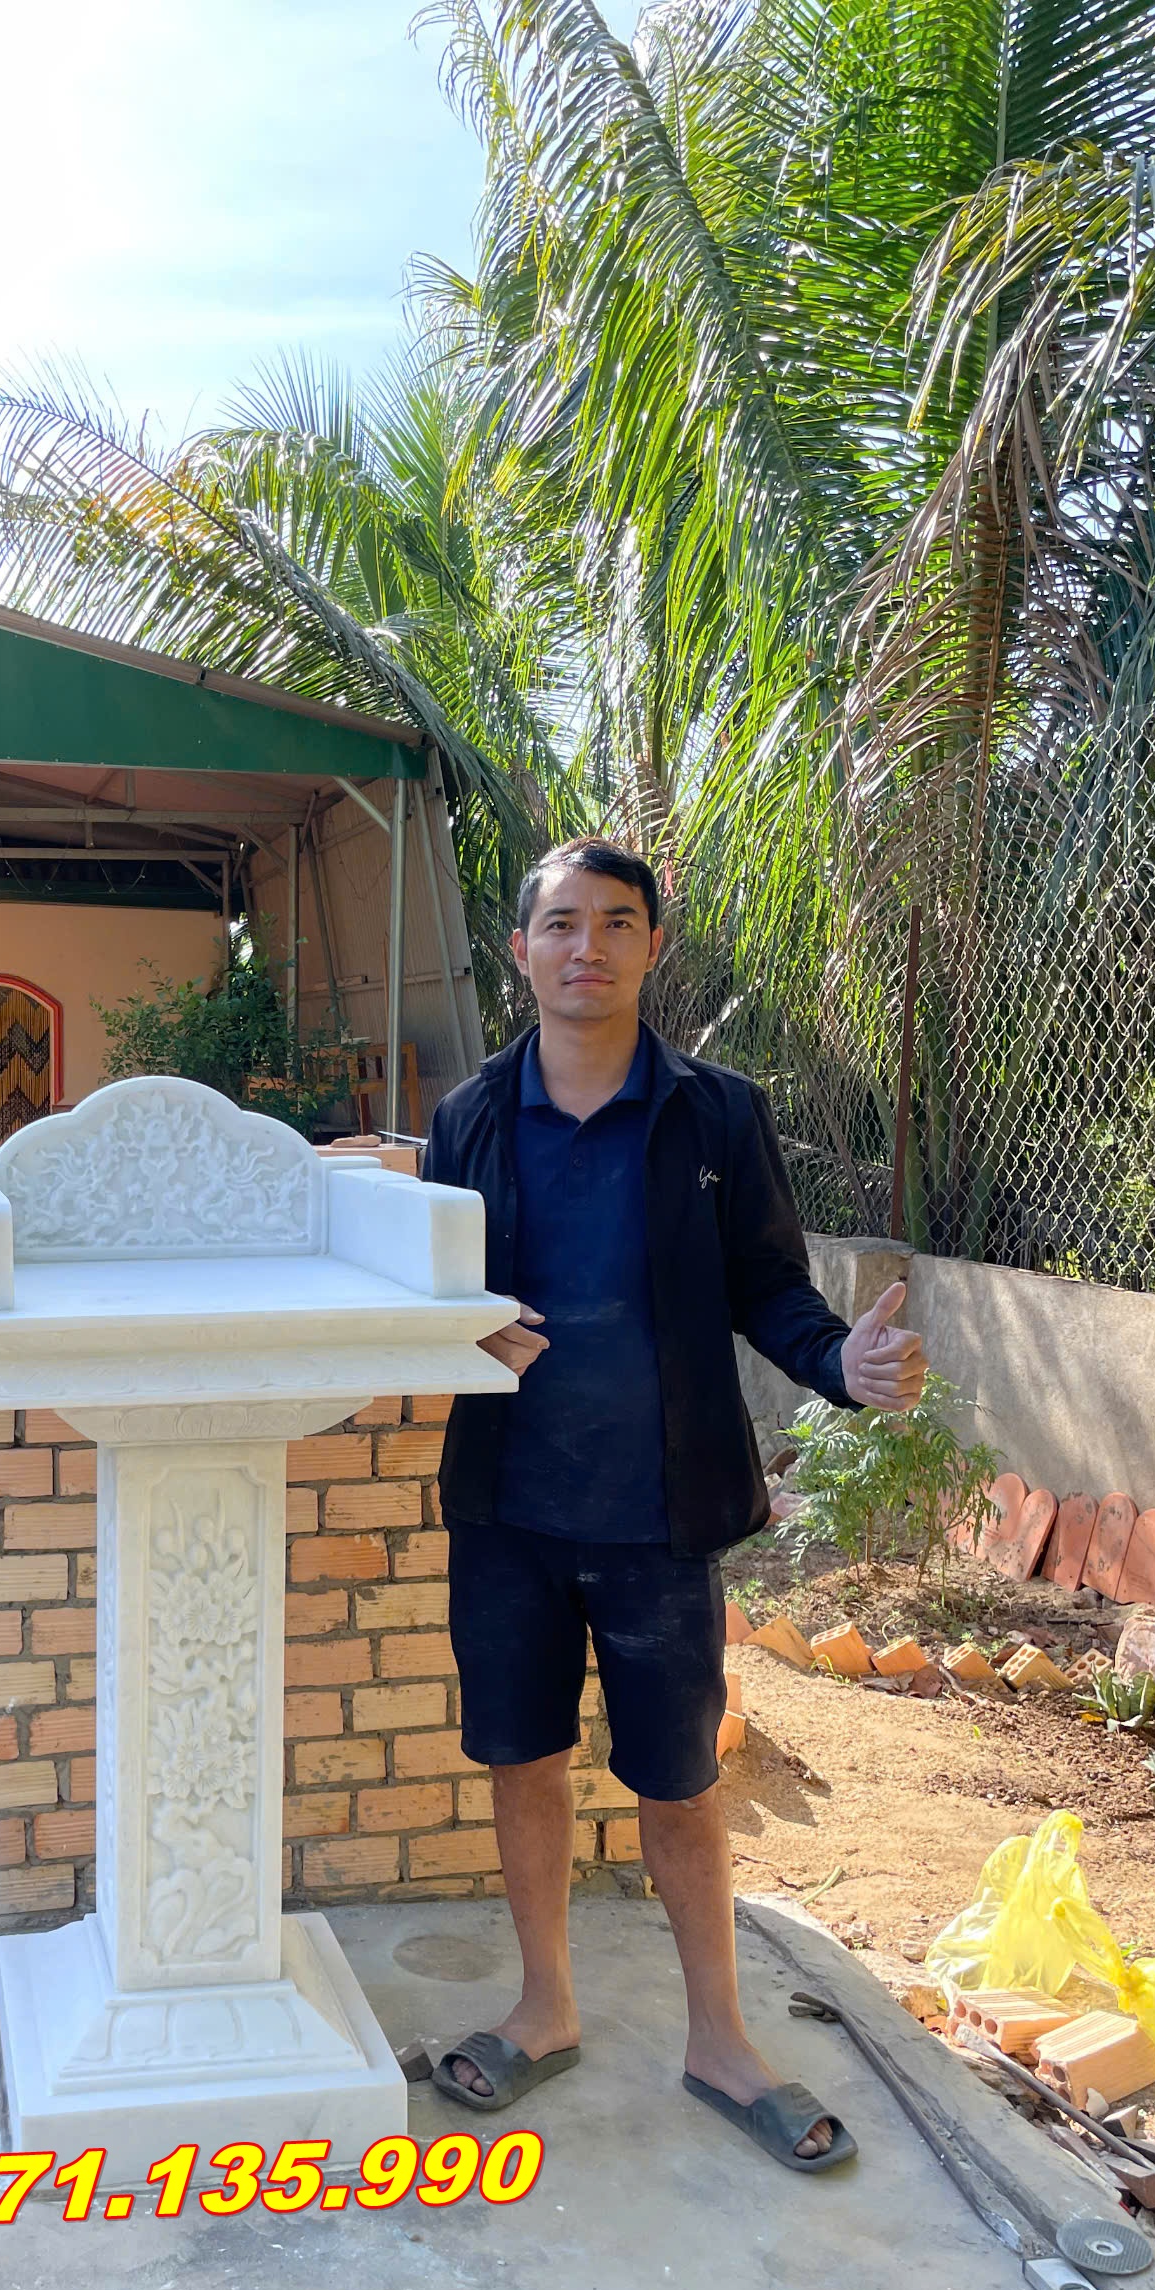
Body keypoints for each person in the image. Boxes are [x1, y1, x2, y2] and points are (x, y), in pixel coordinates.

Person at [420, 836, 926, 2171]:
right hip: (509, 1511)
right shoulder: (469, 1118)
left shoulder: (716, 1116)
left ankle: (720, 2039)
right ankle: (544, 2007)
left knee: (680, 1780)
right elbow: (432, 1294)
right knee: (522, 1759)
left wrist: (845, 1366)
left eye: (615, 923)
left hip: (661, 1517)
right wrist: (450, 1334)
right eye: (560, 923)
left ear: (652, 946)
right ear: (521, 949)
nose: (585, 947)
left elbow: (769, 1288)